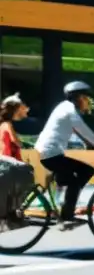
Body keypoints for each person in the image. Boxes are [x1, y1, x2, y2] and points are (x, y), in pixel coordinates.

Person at [35, 82, 94, 228]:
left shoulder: (64, 107)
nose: (88, 101)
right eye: (86, 98)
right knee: (78, 178)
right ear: (79, 97)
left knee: (81, 174)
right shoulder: (69, 110)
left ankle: (67, 200)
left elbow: (77, 131)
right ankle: (67, 216)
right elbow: (82, 128)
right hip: (51, 153)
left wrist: (92, 144)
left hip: (50, 152)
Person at [0, 94, 36, 222]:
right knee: (24, 180)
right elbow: (15, 141)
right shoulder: (7, 124)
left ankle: (12, 212)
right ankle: (13, 212)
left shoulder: (2, 124)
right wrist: (27, 145)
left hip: (6, 159)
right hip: (10, 160)